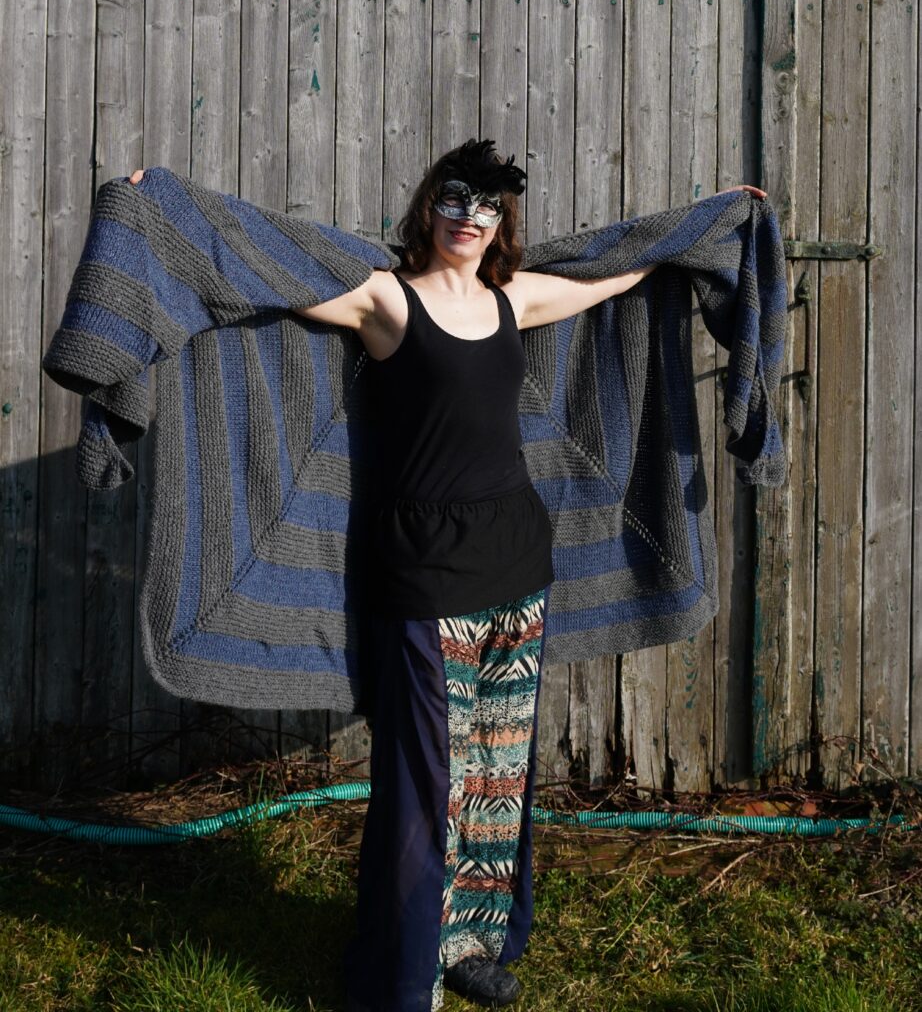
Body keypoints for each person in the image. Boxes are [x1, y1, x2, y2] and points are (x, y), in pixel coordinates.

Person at [129, 144, 764, 1012]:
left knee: (498, 773)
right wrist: (167, 204)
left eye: (490, 206)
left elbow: (620, 270)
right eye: (457, 199)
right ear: (430, 207)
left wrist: (711, 217)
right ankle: (400, 979)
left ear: (503, 224)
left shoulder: (514, 299)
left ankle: (473, 946)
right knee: (426, 783)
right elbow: (260, 261)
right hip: (422, 574)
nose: (471, 216)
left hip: (518, 563)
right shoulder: (386, 301)